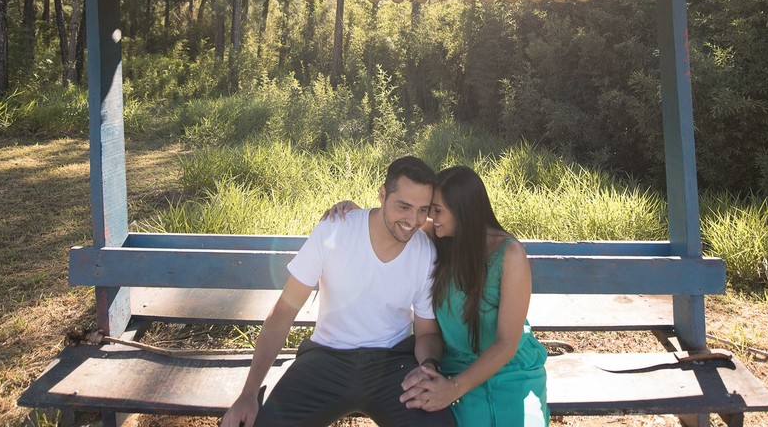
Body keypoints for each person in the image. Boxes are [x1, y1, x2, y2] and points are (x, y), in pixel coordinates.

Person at [219, 155, 456, 427]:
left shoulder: (424, 252)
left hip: (392, 364)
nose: (412, 220)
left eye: (421, 210)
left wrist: (428, 367)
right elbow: (283, 312)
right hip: (326, 359)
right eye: (403, 206)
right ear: (382, 194)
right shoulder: (336, 229)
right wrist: (248, 394)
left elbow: (426, 333)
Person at [328, 165, 550, 426]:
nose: (430, 218)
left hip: (510, 369)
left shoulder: (510, 256)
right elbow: (392, 225)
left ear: (463, 212)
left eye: (437, 210)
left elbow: (506, 343)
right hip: (453, 365)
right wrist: (359, 214)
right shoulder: (437, 236)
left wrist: (453, 389)